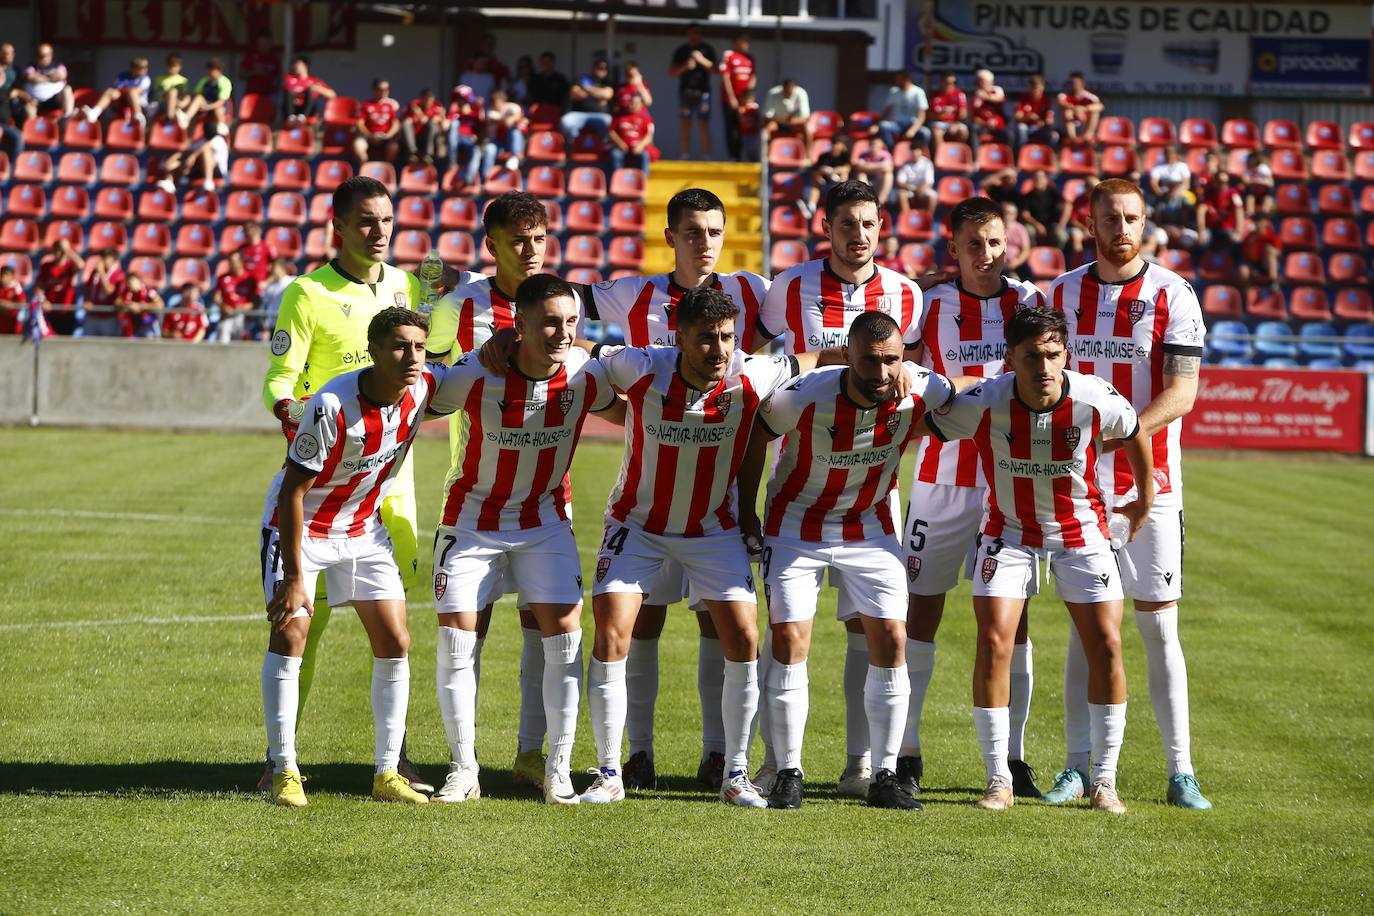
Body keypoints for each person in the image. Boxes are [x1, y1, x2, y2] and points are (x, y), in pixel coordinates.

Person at [578, 287, 836, 808]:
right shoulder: (643, 365)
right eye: (706, 339)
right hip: (638, 525)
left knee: (743, 636)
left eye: (727, 337)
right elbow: (580, 350)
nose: (719, 349)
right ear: (679, 339)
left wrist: (891, 366)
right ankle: (609, 771)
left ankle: (735, 774)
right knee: (612, 631)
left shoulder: (754, 372)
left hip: (715, 531)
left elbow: (819, 357)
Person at [566, 188, 771, 791]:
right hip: (644, 513)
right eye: (691, 231)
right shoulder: (637, 301)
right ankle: (632, 758)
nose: (703, 242)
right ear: (670, 236)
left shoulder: (754, 292)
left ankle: (721, 760)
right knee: (638, 625)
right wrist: (641, 414)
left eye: (713, 230)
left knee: (724, 628)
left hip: (717, 511)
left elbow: (795, 363)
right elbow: (584, 358)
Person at [923, 305, 1152, 813]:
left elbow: (1136, 429)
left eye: (1052, 355)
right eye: (1031, 357)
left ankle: (1104, 780)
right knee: (993, 641)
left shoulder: (1094, 396)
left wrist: (1144, 498)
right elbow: (924, 425)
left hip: (1082, 535)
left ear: (1065, 354)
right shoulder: (984, 401)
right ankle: (997, 777)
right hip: (1007, 534)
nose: (1043, 367)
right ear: (1011, 358)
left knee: (1108, 646)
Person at [737, 312, 964, 810]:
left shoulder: (918, 386)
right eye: (869, 361)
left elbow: (964, 394)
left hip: (871, 527)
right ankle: (788, 771)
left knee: (891, 636)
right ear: (847, 355)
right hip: (796, 525)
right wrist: (746, 511)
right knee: (790, 637)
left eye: (891, 361)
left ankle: (883, 774)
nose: (881, 373)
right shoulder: (804, 394)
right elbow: (756, 435)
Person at [754, 180, 926, 796]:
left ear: (882, 228)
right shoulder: (787, 288)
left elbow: (915, 380)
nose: (859, 234)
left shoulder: (906, 293)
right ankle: (780, 761)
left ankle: (863, 764)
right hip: (802, 471)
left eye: (870, 223)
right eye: (847, 223)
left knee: (871, 629)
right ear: (826, 226)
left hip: (874, 491)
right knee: (787, 630)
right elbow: (766, 358)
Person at [259, 175, 427, 795]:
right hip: (326, 461)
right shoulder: (306, 292)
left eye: (386, 220)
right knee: (308, 620)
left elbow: (430, 362)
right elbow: (280, 378)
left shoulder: (407, 286)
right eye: (365, 221)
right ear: (338, 225)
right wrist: (295, 413)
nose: (379, 232)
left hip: (391, 483)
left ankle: (395, 759)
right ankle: (281, 757)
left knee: (395, 625)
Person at [1049, 178, 1211, 810]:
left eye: (1133, 217)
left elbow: (1183, 392)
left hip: (1154, 487)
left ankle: (1181, 770)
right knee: (1085, 629)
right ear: (1089, 223)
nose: (1122, 227)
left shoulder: (1173, 293)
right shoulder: (1061, 293)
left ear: (1146, 223)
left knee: (1159, 629)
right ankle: (1074, 767)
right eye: (1110, 218)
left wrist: (1125, 433)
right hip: (1077, 490)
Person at [425, 274, 617, 805]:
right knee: (457, 643)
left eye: (572, 322)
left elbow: (637, 408)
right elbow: (419, 397)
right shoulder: (475, 372)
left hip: (544, 523)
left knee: (565, 640)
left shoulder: (585, 372)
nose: (562, 333)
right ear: (520, 325)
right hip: (471, 521)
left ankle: (558, 769)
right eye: (551, 322)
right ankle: (464, 769)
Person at [900, 197, 1046, 798]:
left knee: (1016, 624)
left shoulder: (1030, 303)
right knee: (920, 615)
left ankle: (1013, 760)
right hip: (940, 481)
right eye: (972, 244)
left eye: (994, 243)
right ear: (952, 248)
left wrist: (960, 384)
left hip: (1009, 482)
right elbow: (907, 376)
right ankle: (904, 753)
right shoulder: (928, 305)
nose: (985, 255)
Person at [669, 23, 717, 159]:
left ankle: (707, 156)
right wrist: (685, 67)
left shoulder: (707, 49)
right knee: (685, 123)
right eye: (694, 32)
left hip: (703, 93)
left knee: (703, 123)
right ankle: (684, 155)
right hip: (685, 92)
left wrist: (701, 60)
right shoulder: (681, 50)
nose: (697, 35)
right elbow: (672, 73)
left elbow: (716, 70)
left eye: (699, 33)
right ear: (688, 33)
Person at [82, 56, 151, 126]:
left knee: (132, 92)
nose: (144, 70)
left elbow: (137, 91)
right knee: (110, 91)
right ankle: (94, 113)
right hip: (120, 100)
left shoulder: (146, 79)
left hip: (139, 102)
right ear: (133, 68)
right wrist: (126, 91)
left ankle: (138, 116)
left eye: (145, 68)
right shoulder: (123, 76)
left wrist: (126, 90)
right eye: (141, 68)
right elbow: (117, 89)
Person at [718, 35, 756, 161]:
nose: (746, 45)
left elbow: (753, 77)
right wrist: (732, 98)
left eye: (748, 42)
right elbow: (725, 77)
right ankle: (734, 156)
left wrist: (748, 97)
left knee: (746, 128)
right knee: (732, 128)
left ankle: (748, 156)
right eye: (743, 42)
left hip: (745, 101)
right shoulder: (729, 55)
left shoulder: (750, 58)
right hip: (730, 100)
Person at [14, 44, 74, 124]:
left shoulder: (58, 65)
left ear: (50, 55)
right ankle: (35, 131)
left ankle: (66, 118)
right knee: (28, 108)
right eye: (38, 55)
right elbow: (31, 78)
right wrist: (50, 77)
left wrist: (40, 76)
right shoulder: (31, 66)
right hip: (35, 101)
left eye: (42, 56)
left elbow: (61, 76)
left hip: (55, 99)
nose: (39, 58)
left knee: (67, 89)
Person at [34, 239, 83, 335]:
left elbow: (81, 265)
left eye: (61, 250)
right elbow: (37, 287)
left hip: (67, 312)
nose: (58, 252)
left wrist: (68, 251)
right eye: (56, 249)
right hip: (50, 311)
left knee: (65, 344)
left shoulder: (70, 266)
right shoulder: (47, 266)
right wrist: (43, 300)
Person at [560, 58, 614, 139]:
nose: (602, 70)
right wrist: (598, 95)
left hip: (600, 115)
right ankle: (574, 145)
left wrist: (585, 88)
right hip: (579, 114)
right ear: (593, 68)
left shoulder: (607, 83)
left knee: (608, 122)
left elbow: (607, 94)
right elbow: (574, 94)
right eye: (599, 67)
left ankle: (602, 148)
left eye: (604, 69)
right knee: (566, 121)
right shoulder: (582, 78)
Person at [178, 58, 233, 136]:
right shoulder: (205, 80)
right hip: (204, 106)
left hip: (218, 107)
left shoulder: (225, 82)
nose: (210, 73)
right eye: (209, 70)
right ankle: (186, 119)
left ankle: (222, 125)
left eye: (212, 70)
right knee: (198, 98)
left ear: (219, 70)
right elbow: (196, 94)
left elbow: (221, 101)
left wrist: (208, 107)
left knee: (219, 109)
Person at [353, 78, 401, 166]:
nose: (384, 92)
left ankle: (385, 170)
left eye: (386, 89)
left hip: (385, 137)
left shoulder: (391, 105)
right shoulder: (365, 105)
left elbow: (396, 123)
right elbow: (359, 123)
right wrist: (369, 135)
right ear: (374, 90)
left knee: (394, 147)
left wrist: (388, 135)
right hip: (368, 137)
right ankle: (364, 171)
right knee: (358, 145)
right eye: (381, 89)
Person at [213, 251, 258, 343]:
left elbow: (257, 300)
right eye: (230, 261)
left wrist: (244, 307)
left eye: (234, 261)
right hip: (227, 315)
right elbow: (216, 298)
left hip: (244, 317)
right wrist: (223, 306)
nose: (231, 264)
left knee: (242, 338)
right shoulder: (223, 278)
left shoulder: (250, 278)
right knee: (223, 332)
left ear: (241, 261)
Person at [878, 70, 929, 150]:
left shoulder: (918, 92)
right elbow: (886, 110)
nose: (896, 81)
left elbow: (921, 116)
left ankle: (919, 155)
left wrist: (912, 130)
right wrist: (877, 124)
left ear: (907, 79)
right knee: (883, 126)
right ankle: (893, 151)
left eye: (899, 79)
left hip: (912, 123)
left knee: (926, 133)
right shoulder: (894, 91)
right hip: (897, 124)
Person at [446, 85, 486, 186]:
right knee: (454, 124)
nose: (461, 102)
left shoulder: (475, 113)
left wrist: (480, 108)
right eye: (459, 99)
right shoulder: (455, 113)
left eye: (463, 100)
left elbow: (482, 128)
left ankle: (468, 179)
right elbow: (446, 126)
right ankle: (452, 160)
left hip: (469, 140)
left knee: (476, 151)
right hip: (455, 140)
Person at [82, 248, 126, 338]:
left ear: (113, 260)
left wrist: (101, 273)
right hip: (92, 314)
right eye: (102, 257)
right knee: (88, 344)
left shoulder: (119, 274)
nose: (102, 260)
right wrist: (87, 300)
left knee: (107, 345)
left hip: (108, 316)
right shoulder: (95, 273)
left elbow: (108, 291)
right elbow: (87, 288)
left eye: (106, 258)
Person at [762, 78, 813, 155]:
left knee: (808, 130)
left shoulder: (801, 93)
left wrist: (791, 121)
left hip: (794, 123)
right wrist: (781, 119)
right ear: (783, 89)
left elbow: (806, 117)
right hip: (777, 122)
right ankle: (766, 156)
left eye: (790, 92)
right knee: (765, 131)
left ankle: (807, 156)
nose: (788, 94)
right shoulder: (773, 93)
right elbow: (766, 116)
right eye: (786, 92)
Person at [803, 135, 850, 218]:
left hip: (838, 183)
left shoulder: (845, 156)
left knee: (844, 174)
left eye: (839, 144)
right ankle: (811, 206)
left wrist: (833, 171)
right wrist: (823, 170)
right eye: (835, 144)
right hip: (824, 181)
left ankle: (841, 202)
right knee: (815, 180)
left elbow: (847, 168)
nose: (837, 146)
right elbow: (816, 172)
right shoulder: (823, 156)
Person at [608, 93, 654, 176]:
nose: (633, 105)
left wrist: (640, 146)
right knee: (615, 154)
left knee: (644, 156)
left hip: (637, 147)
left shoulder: (646, 118)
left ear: (641, 105)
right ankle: (617, 181)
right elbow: (611, 132)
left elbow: (649, 136)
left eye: (636, 103)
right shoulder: (619, 115)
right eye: (631, 102)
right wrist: (620, 143)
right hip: (621, 147)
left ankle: (641, 182)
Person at [481, 88, 526, 174]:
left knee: (514, 131)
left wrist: (514, 118)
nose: (493, 103)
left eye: (495, 100)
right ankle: (486, 178)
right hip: (497, 143)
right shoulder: (490, 111)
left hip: (512, 143)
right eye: (492, 101)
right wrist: (513, 118)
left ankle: (514, 157)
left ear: (502, 100)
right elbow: (506, 122)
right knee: (489, 149)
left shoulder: (512, 106)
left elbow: (514, 118)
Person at [1019, 168, 1064, 248]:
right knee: (1028, 231)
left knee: (1061, 236)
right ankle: (1032, 255)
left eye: (1041, 177)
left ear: (1046, 179)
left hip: (1052, 224)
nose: (1038, 180)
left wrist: (1061, 224)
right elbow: (1025, 214)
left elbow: (1067, 206)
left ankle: (1057, 256)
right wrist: (1037, 225)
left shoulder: (1054, 193)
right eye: (1035, 177)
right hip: (1034, 225)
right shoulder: (1028, 196)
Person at [283, 56, 335, 125]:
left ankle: (302, 117)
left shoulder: (314, 80)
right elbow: (288, 91)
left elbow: (332, 95)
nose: (295, 66)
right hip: (294, 108)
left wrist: (317, 88)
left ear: (305, 66)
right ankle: (290, 118)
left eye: (298, 64)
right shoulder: (290, 79)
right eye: (294, 64)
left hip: (309, 110)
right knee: (289, 93)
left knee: (310, 91)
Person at [459, 33, 509, 103]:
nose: (488, 47)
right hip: (471, 109)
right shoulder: (467, 74)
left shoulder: (498, 66)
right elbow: (462, 93)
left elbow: (500, 87)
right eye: (486, 44)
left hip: (489, 107)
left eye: (491, 44)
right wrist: (473, 100)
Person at [1057, 72, 1103, 145]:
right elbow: (1061, 102)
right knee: (1067, 112)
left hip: (1084, 125)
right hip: (1069, 125)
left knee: (1095, 112)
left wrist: (1084, 109)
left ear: (1082, 84)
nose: (1074, 85)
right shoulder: (1064, 95)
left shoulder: (1089, 96)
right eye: (1072, 83)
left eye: (1076, 83)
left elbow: (1100, 106)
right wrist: (1075, 109)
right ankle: (1072, 139)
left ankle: (1088, 136)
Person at [402, 88, 446, 165]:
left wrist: (423, 117)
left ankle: (428, 155)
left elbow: (437, 121)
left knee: (432, 125)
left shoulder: (437, 108)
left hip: (431, 137)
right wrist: (417, 119)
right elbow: (407, 120)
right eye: (426, 99)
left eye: (430, 100)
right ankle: (413, 153)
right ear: (421, 99)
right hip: (416, 135)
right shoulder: (413, 107)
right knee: (406, 124)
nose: (428, 102)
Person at [1013, 74, 1056, 148]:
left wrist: (1043, 122)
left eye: (1038, 88)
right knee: (1021, 128)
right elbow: (1017, 117)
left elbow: (1050, 120)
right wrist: (1028, 117)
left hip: (1040, 128)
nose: (1036, 90)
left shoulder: (1046, 100)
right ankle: (1022, 155)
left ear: (1042, 87)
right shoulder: (1023, 99)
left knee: (1054, 136)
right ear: (1029, 87)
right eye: (1033, 87)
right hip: (1027, 127)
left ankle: (1048, 157)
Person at [1147, 146, 1191, 219]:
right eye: (1167, 153)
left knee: (1187, 202)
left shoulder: (1182, 166)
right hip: (1164, 192)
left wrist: (1176, 192)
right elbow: (1153, 183)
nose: (1169, 155)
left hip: (1180, 192)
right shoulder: (1158, 166)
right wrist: (1159, 192)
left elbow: (1186, 183)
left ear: (1176, 154)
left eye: (1171, 153)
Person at [116, 271, 162, 338]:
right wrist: (129, 305)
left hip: (148, 325)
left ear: (139, 281)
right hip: (134, 326)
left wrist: (142, 306)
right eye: (128, 282)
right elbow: (117, 302)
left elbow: (160, 304)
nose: (130, 283)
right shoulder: (127, 292)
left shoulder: (149, 291)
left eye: (132, 280)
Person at [1237, 215, 1280, 287]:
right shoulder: (1250, 237)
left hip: (1266, 264)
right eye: (1256, 221)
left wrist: (1268, 252)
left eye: (1260, 221)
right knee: (1242, 270)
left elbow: (1278, 252)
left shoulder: (1272, 235)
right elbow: (1247, 257)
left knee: (1269, 249)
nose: (1258, 224)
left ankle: (1273, 283)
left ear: (1266, 223)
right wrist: (1251, 245)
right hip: (1253, 264)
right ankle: (1245, 293)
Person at [257, 257, 295, 338]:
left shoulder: (294, 281)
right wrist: (265, 326)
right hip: (274, 324)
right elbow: (264, 306)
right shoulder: (270, 287)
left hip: (290, 323)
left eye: (274, 268)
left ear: (282, 268)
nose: (272, 271)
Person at [928, 72, 969, 146]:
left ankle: (957, 153)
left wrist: (955, 124)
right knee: (937, 132)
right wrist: (939, 115)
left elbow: (963, 115)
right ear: (941, 82)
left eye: (953, 83)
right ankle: (942, 155)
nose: (950, 85)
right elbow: (928, 115)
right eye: (947, 82)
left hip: (955, 122)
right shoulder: (934, 95)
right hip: (939, 122)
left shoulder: (959, 94)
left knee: (963, 131)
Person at [852, 136, 895, 207]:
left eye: (877, 144)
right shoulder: (864, 155)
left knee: (888, 175)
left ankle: (880, 204)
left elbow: (888, 168)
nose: (875, 146)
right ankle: (865, 199)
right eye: (873, 144)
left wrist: (868, 167)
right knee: (861, 174)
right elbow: (859, 166)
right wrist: (880, 166)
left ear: (881, 145)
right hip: (867, 181)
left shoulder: (885, 155)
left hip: (879, 181)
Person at [895, 141, 935, 215]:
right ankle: (907, 217)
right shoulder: (905, 165)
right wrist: (911, 188)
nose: (915, 154)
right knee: (901, 195)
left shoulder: (927, 163)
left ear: (921, 152)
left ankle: (928, 219)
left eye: (917, 151)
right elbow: (900, 182)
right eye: (913, 151)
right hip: (909, 189)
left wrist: (922, 189)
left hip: (923, 189)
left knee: (933, 196)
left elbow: (929, 182)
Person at [970, 69, 1008, 145]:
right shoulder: (975, 96)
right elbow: (974, 117)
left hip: (997, 125)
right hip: (982, 125)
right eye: (979, 81)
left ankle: (1007, 155)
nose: (981, 84)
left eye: (983, 81)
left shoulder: (997, 90)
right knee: (973, 129)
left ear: (991, 82)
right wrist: (985, 123)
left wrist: (986, 97)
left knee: (1009, 135)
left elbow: (1000, 99)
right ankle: (976, 155)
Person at [151, 54, 190, 124]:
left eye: (174, 66)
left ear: (180, 67)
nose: (172, 68)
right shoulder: (159, 79)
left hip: (177, 105)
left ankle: (175, 117)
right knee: (172, 92)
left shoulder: (183, 81)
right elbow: (155, 96)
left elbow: (186, 96)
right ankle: (170, 119)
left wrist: (182, 104)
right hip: (160, 104)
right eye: (170, 66)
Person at [239, 34, 281, 98]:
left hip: (269, 95)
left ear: (270, 43)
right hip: (252, 94)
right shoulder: (251, 56)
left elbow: (279, 77)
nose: (264, 45)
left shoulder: (274, 58)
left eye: (266, 43)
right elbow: (241, 74)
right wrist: (254, 72)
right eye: (261, 42)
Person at [1001, 201, 1032, 279]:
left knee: (1029, 275)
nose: (1008, 215)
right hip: (1000, 263)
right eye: (1006, 212)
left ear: (1015, 215)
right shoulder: (996, 228)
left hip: (1017, 262)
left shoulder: (1021, 229)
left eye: (1011, 213)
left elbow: (1026, 249)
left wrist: (1017, 261)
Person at [0, 264, 26, 335]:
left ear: (12, 276)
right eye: (2, 274)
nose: (3, 277)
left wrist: (10, 305)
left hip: (13, 321)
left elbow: (22, 303)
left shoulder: (16, 287)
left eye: (6, 275)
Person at [737, 88, 761, 162]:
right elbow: (740, 119)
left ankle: (756, 162)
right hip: (745, 134)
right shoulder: (742, 109)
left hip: (754, 134)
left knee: (754, 149)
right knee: (746, 150)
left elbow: (759, 119)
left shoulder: (755, 108)